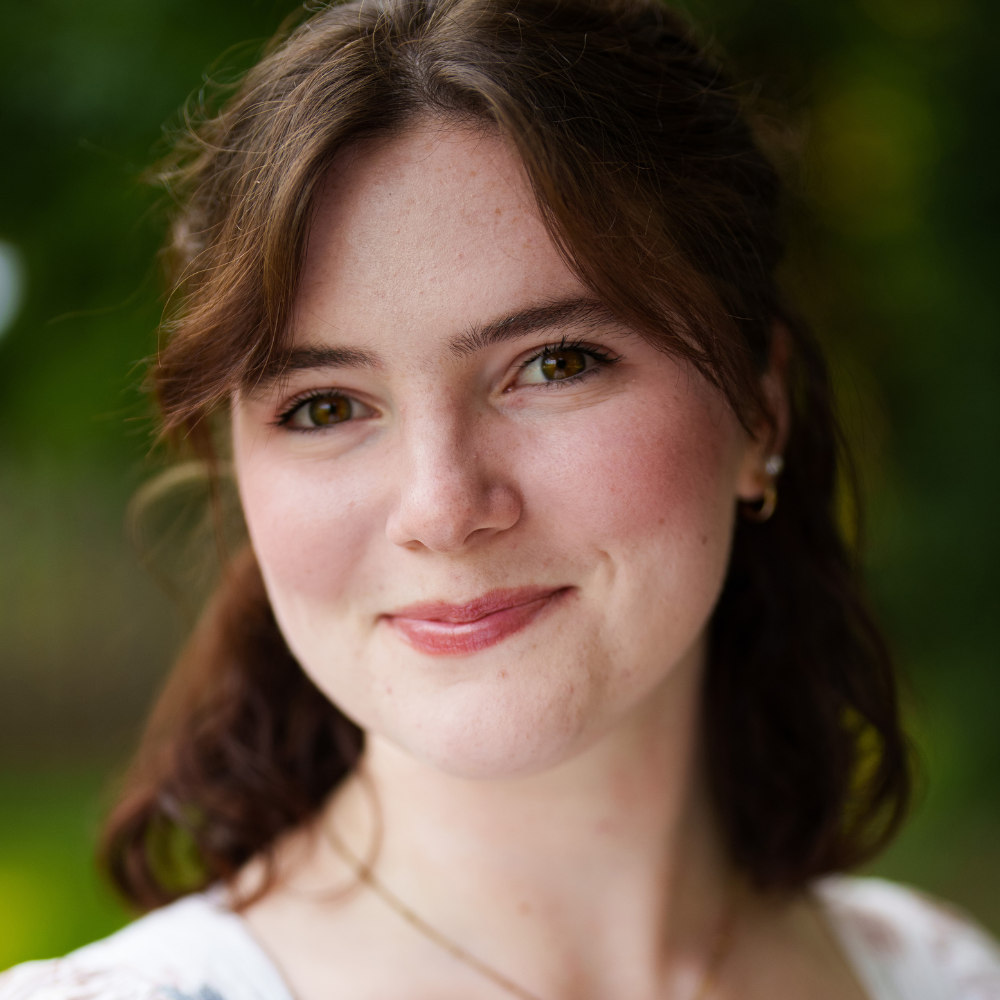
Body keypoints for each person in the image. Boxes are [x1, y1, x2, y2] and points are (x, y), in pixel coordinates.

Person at [3, 0, 999, 997]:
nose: (443, 508)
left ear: (760, 410)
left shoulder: (941, 978)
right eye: (324, 407)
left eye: (555, 363)